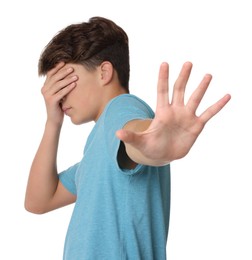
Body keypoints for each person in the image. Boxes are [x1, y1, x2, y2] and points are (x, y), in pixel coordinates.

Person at [24, 16, 231, 260]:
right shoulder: (97, 152)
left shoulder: (121, 110)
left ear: (104, 72)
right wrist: (52, 121)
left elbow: (135, 135)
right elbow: (38, 201)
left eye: (64, 82)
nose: (58, 97)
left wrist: (155, 141)